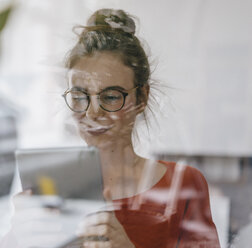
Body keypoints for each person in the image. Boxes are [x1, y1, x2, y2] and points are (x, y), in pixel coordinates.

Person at [62, 8, 221, 248]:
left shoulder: (183, 185)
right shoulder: (52, 190)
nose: (92, 112)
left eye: (111, 97)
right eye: (79, 96)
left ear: (141, 97)